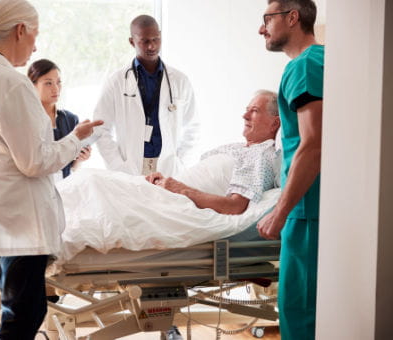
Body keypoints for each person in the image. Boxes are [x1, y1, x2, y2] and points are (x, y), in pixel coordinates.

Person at [0, 0, 103, 338]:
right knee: (23, 318)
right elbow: (35, 161)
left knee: (17, 315)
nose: (36, 46)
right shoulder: (11, 84)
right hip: (19, 226)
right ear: (20, 31)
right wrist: (76, 139)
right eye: (35, 35)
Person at [256, 1, 323, 339]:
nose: (261, 28)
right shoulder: (324, 60)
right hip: (313, 206)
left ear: (293, 17)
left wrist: (279, 213)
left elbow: (313, 144)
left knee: (300, 316)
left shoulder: (304, 66)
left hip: (307, 211)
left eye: (267, 18)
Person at [93, 15, 200, 177]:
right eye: (144, 41)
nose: (151, 46)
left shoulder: (179, 80)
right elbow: (100, 127)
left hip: (169, 168)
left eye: (156, 39)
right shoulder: (116, 81)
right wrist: (117, 165)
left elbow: (193, 126)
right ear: (132, 41)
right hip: (130, 168)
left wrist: (181, 163)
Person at [146, 90, 281, 215]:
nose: (245, 116)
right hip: (164, 193)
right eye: (247, 110)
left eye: (255, 111)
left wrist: (181, 189)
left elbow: (235, 206)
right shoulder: (239, 147)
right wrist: (167, 181)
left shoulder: (261, 155)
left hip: (174, 204)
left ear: (275, 124)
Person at [27, 59, 91, 179]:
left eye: (58, 82)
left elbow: (71, 169)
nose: (56, 88)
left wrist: (80, 159)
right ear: (32, 85)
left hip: (64, 190)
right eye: (48, 83)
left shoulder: (71, 120)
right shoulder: (27, 120)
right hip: (39, 190)